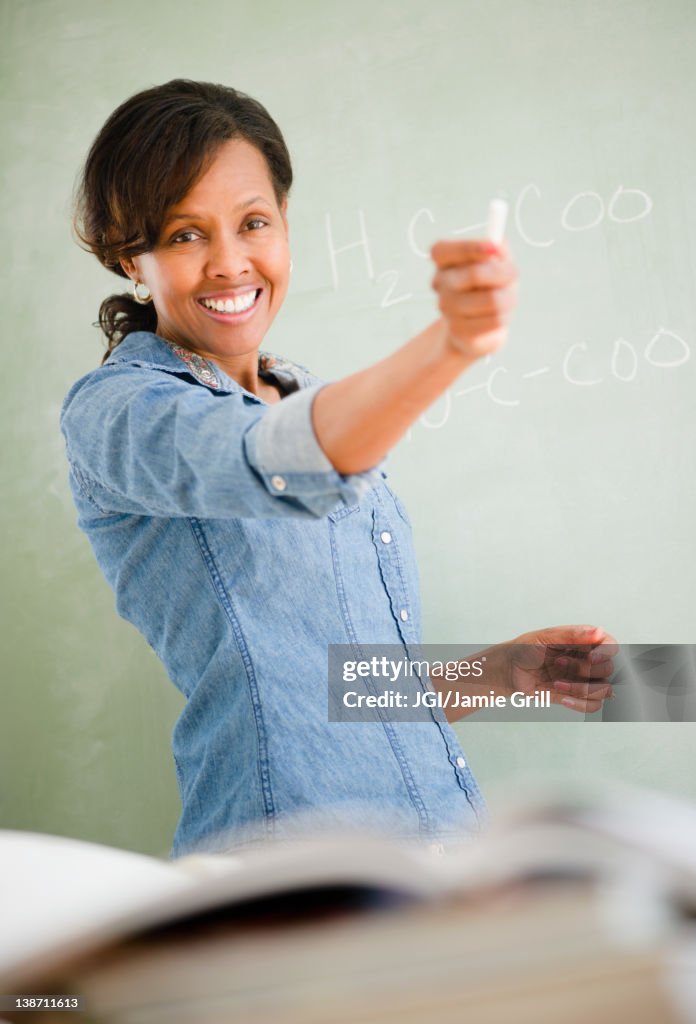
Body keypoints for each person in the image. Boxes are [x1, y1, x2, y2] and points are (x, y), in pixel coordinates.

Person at [61, 80, 615, 858]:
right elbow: (278, 464)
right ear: (131, 255)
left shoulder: (306, 392)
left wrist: (504, 670)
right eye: (185, 235)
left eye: (254, 223)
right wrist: (449, 344)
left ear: (284, 226)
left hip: (437, 861)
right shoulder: (121, 411)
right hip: (289, 880)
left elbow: (336, 695)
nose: (229, 263)